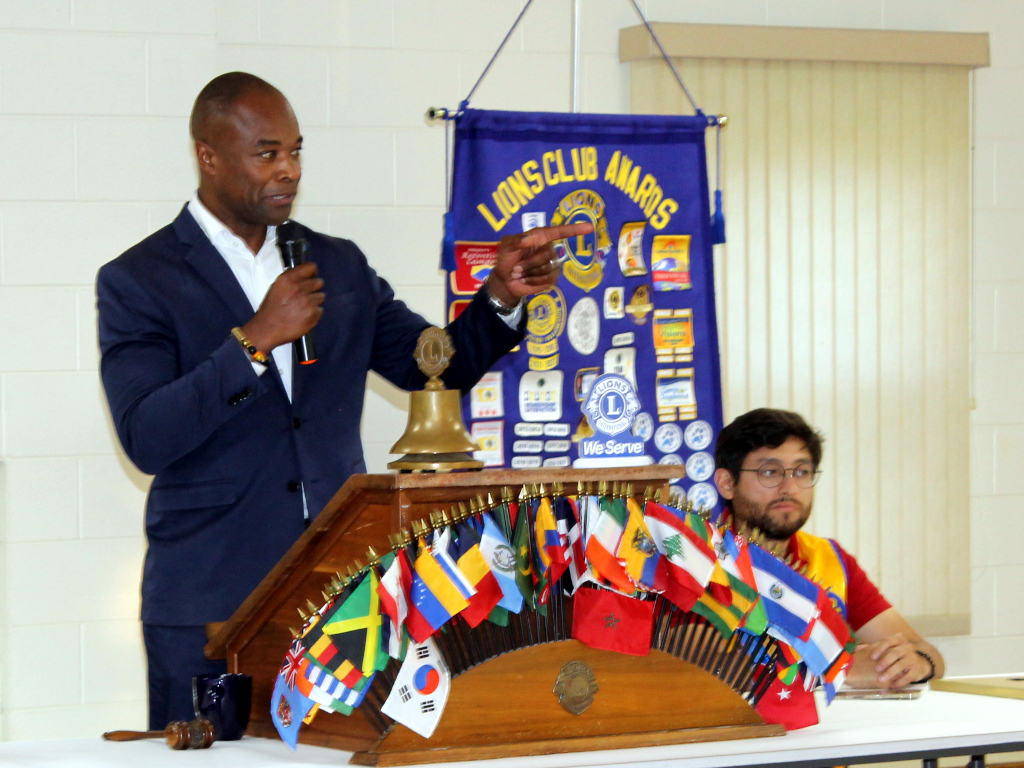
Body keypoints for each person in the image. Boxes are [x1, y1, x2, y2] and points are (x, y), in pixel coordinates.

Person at [97, 71, 591, 728]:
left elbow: (432, 366)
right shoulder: (139, 278)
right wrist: (253, 342)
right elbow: (145, 437)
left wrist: (499, 297)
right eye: (267, 153)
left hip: (343, 597)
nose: (290, 171)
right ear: (208, 155)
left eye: (296, 151)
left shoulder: (338, 264)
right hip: (208, 599)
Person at [712, 408, 944, 690]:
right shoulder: (696, 559)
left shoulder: (830, 558)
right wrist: (838, 671)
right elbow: (695, 672)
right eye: (770, 472)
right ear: (727, 483)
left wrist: (914, 663)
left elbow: (927, 653)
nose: (790, 487)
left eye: (802, 472)